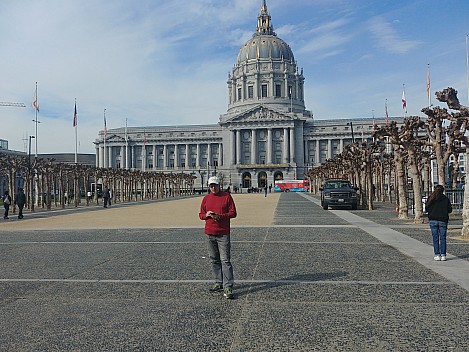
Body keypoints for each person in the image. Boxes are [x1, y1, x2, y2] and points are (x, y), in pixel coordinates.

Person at [199, 176, 237, 299]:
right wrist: (207, 215)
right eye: (211, 186)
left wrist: (221, 216)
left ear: (219, 185)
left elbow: (233, 213)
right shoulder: (206, 198)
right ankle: (218, 282)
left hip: (223, 233)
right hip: (210, 232)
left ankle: (228, 286)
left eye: (215, 185)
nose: (213, 187)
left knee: (225, 260)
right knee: (214, 259)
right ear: (208, 187)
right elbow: (201, 214)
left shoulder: (226, 197)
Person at [425, 185, 452, 261]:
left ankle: (437, 254)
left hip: (433, 219)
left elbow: (426, 208)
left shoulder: (431, 198)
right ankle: (443, 255)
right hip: (443, 220)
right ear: (443, 191)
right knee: (443, 238)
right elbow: (450, 210)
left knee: (435, 238)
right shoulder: (446, 199)